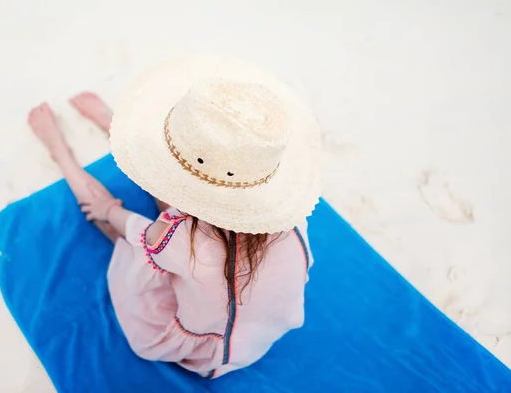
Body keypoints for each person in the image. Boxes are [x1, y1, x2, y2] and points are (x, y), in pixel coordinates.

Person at [28, 56, 323, 378]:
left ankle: (60, 151)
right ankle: (106, 124)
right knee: (172, 229)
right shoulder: (293, 221)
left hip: (204, 343)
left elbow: (135, 230)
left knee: (123, 236)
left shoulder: (176, 234)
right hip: (252, 338)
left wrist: (109, 211)